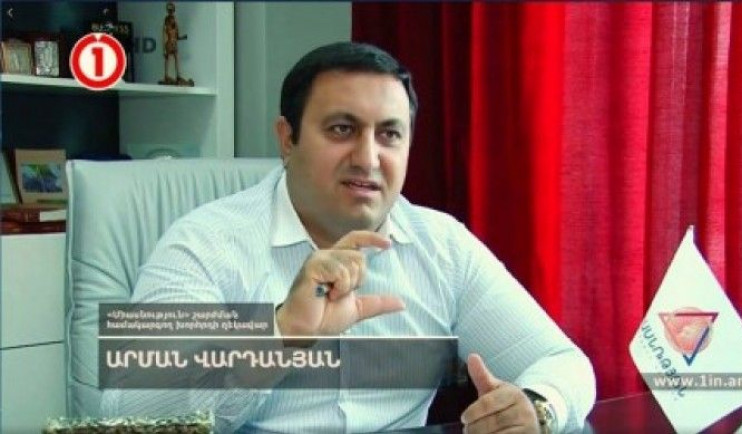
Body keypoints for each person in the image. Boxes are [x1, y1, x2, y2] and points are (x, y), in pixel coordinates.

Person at [103, 41, 595, 433]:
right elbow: (127, 413)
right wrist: (280, 334)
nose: (368, 158)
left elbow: (562, 363)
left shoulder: (443, 247)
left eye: (390, 135)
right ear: (287, 139)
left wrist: (537, 408)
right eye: (342, 129)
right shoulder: (203, 245)